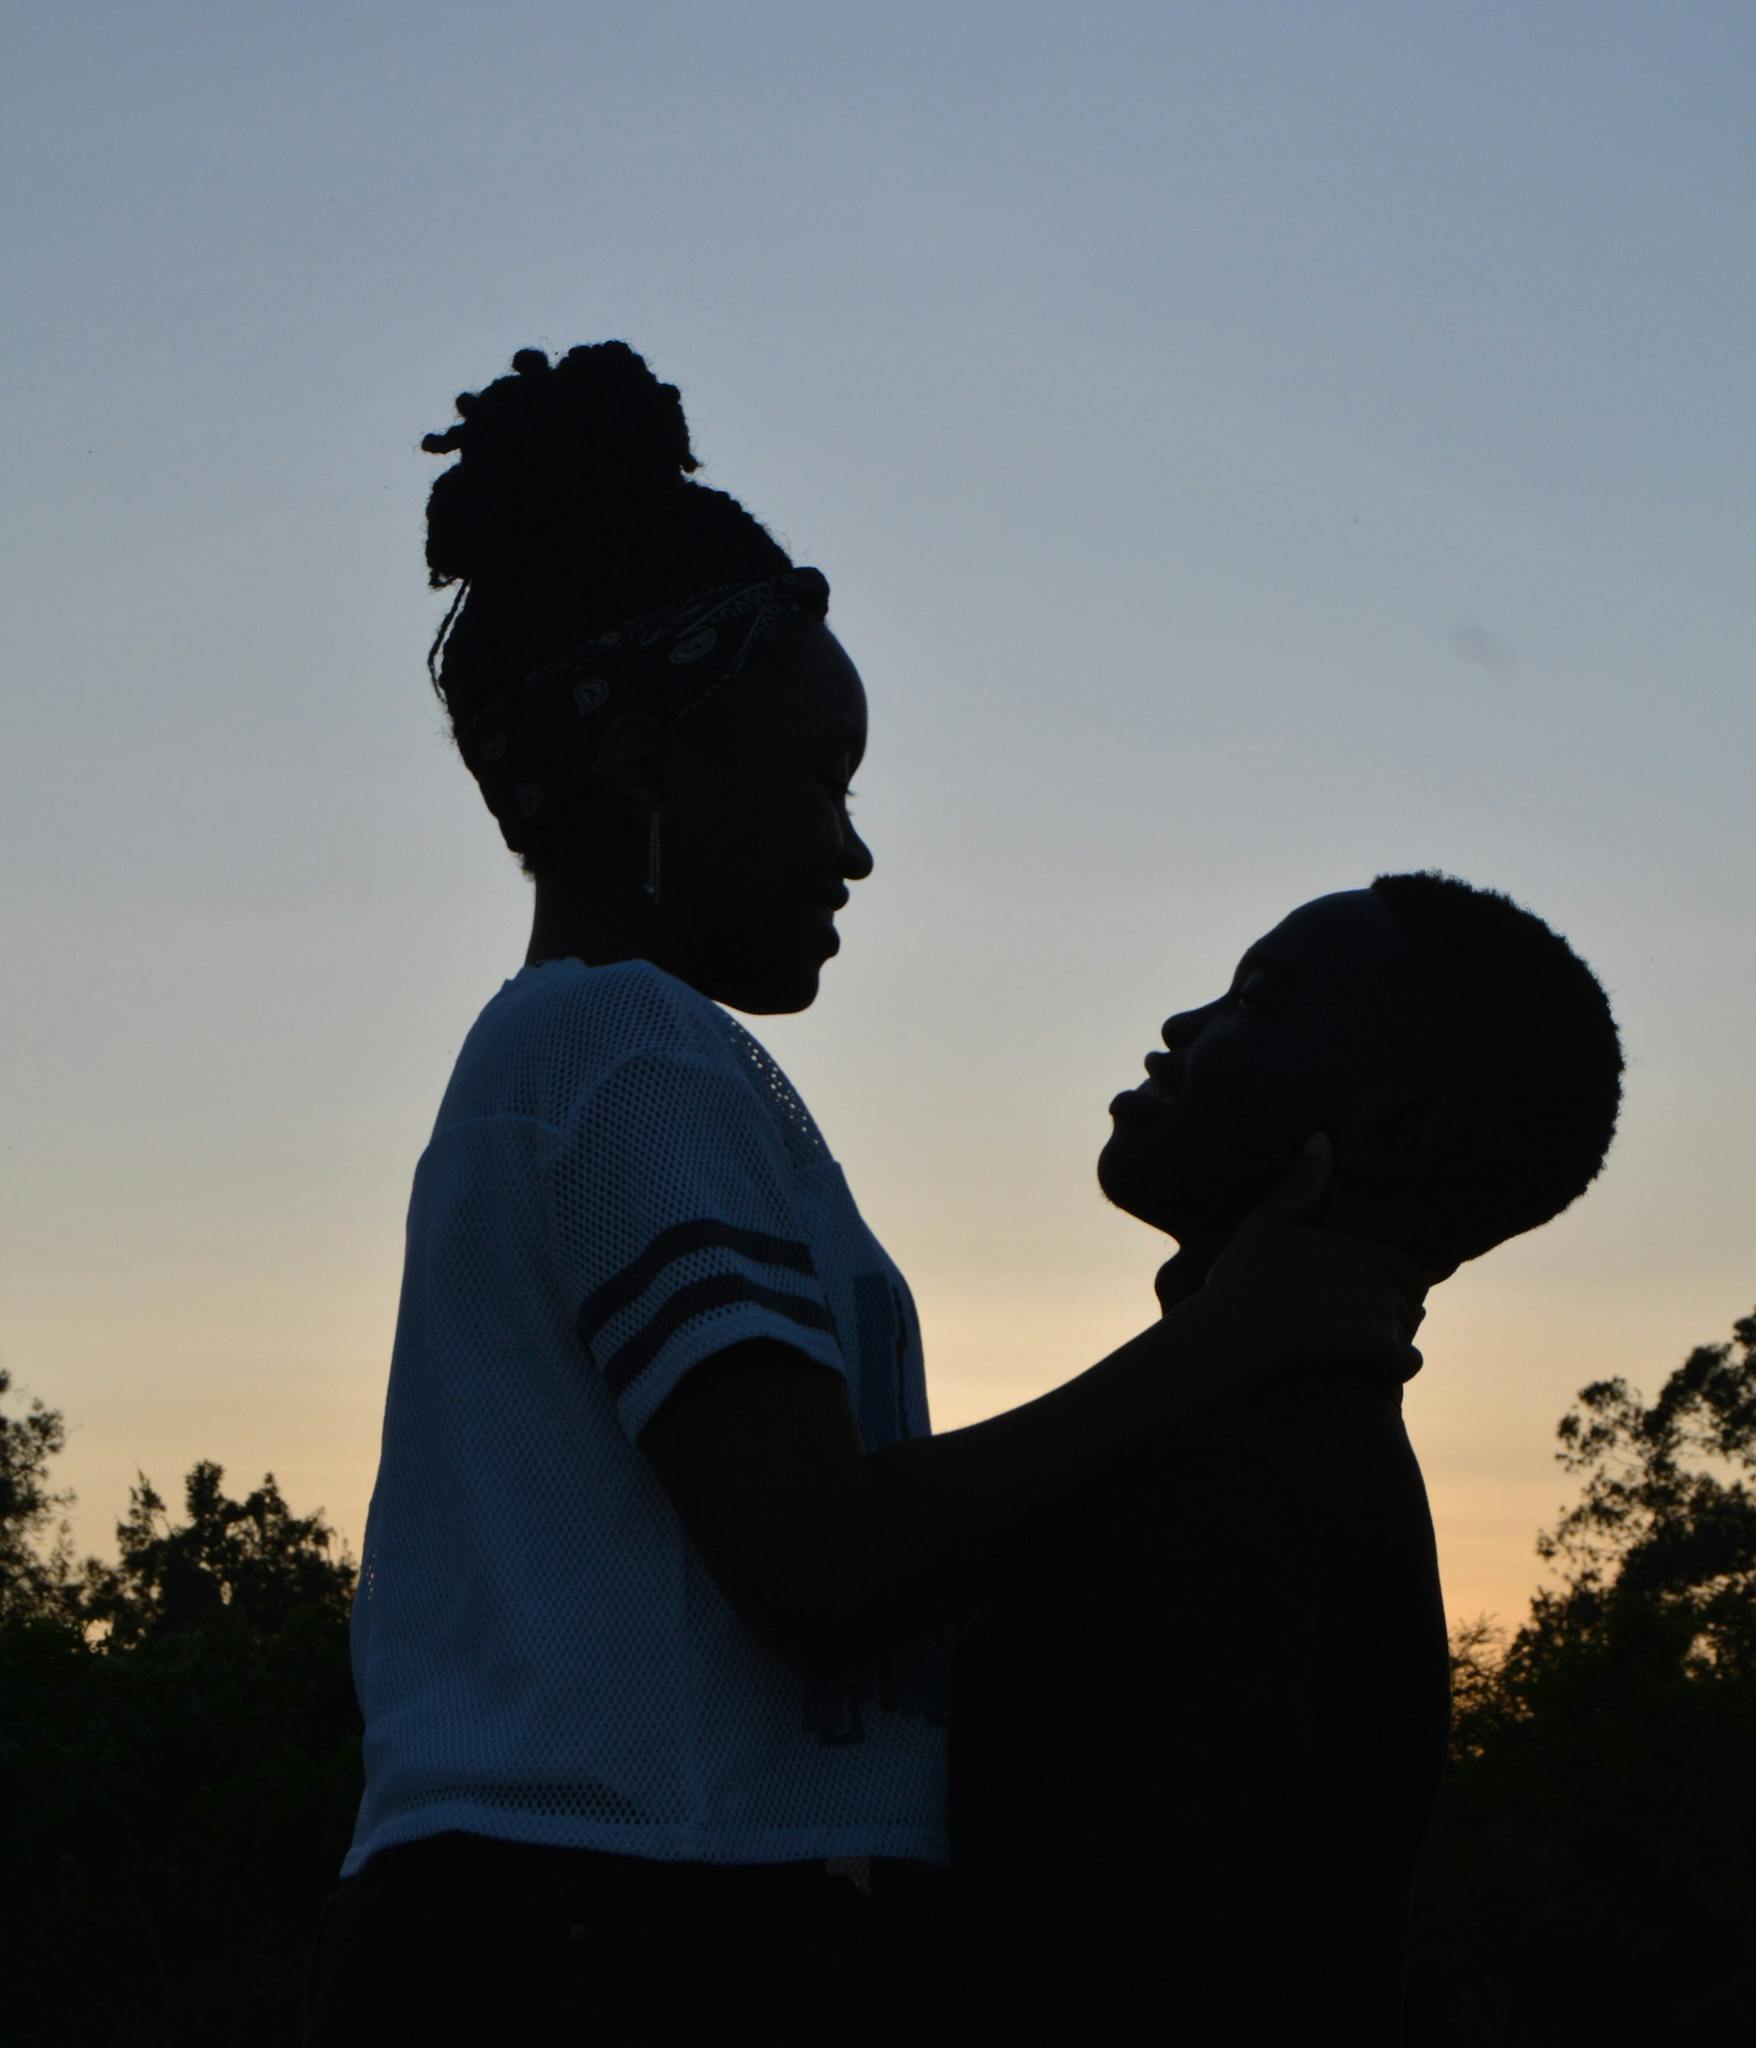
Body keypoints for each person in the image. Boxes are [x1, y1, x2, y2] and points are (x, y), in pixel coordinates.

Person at [299, 343, 1422, 2046]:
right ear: (648, 774)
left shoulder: (607, 1058)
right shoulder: (628, 1049)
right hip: (618, 1933)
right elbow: (817, 1555)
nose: (854, 847)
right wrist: (1225, 1344)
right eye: (821, 774)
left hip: (587, 1917)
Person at [946, 874, 1624, 2044]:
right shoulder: (1280, 1451)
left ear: (1395, 1128)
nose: (1182, 1026)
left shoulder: (1228, 1489)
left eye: (1255, 998)